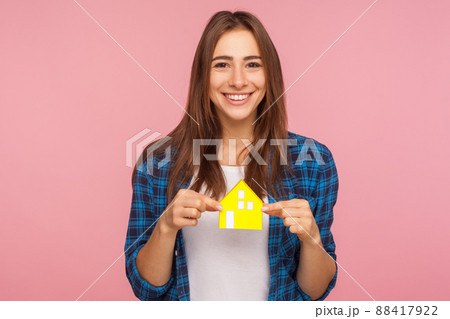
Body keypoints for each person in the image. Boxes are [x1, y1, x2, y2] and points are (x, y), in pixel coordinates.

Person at [124, 10, 339, 301]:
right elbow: (146, 289)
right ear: (203, 75)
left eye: (252, 64)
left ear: (269, 74)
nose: (238, 81)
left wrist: (311, 238)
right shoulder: (157, 163)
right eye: (222, 64)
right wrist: (165, 227)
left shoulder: (313, 162)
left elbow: (314, 293)